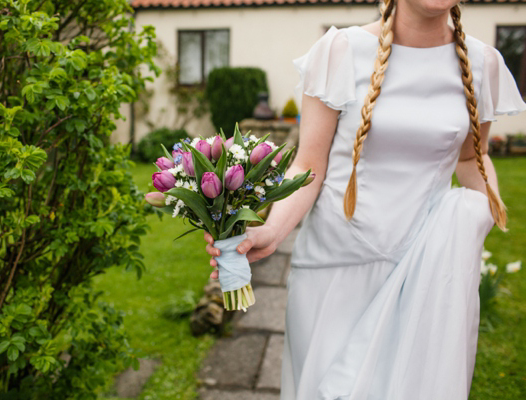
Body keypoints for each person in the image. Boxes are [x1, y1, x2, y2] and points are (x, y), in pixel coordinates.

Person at [204, 0, 526, 398]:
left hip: (424, 274)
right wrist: (271, 230)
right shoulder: (340, 50)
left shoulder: (483, 63)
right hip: (333, 272)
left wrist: (482, 211)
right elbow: (310, 164)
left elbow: (470, 158)